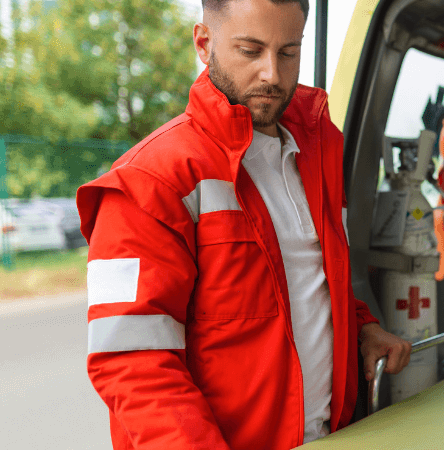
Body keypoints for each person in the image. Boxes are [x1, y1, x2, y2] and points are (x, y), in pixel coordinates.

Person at [77, 1, 413, 448]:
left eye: (288, 52)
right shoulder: (149, 181)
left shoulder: (319, 151)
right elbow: (132, 361)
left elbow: (314, 279)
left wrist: (363, 327)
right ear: (204, 43)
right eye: (250, 51)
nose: (272, 74)